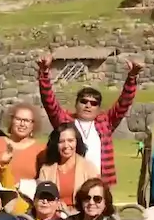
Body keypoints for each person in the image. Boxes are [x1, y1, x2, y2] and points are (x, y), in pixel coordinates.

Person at [35, 53, 142, 186]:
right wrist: (44, 73)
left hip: (99, 184)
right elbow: (49, 101)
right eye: (84, 101)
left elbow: (124, 103)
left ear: (98, 108)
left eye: (93, 103)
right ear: (76, 104)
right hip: (70, 182)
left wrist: (132, 77)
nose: (88, 105)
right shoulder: (66, 122)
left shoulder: (105, 123)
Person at [37, 123, 97, 210]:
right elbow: (41, 198)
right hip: (53, 217)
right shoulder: (46, 170)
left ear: (77, 142)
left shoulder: (89, 168)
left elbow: (96, 198)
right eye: (61, 142)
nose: (66, 146)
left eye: (70, 141)